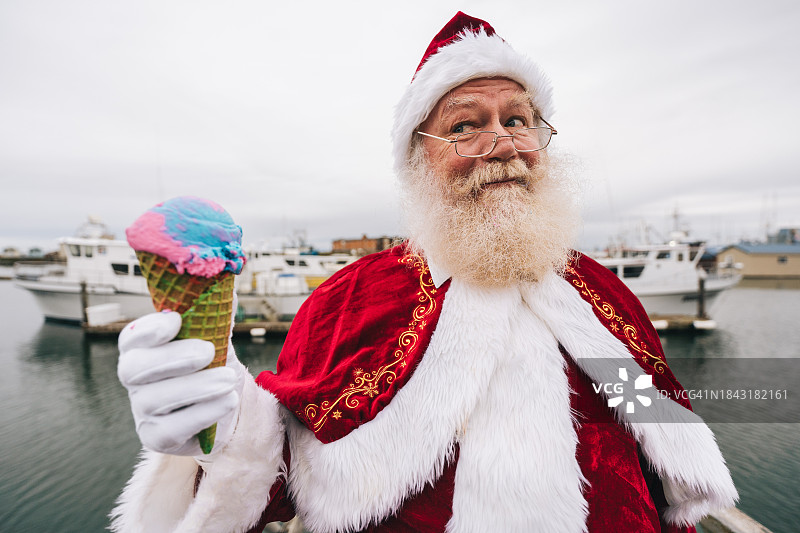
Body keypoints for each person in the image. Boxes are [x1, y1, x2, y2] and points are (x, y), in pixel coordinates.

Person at [111, 12, 737, 533]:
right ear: (418, 159)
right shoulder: (349, 298)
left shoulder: (599, 291)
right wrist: (216, 421)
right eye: (465, 126)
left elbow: (652, 439)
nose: (503, 142)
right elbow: (279, 471)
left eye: (518, 120)